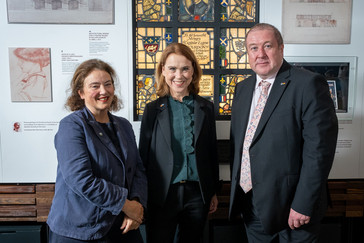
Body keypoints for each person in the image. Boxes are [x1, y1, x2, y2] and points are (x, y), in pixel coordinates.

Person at [229, 23, 338, 242]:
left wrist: (303, 204)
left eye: (267, 46)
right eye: (253, 48)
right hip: (253, 205)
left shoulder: (308, 84)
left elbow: (319, 152)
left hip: (293, 209)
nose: (260, 54)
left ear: (281, 48)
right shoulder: (242, 89)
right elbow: (243, 146)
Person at [47, 59, 147, 243]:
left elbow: (138, 170)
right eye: (95, 86)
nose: (104, 91)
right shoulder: (71, 126)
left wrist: (136, 206)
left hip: (123, 225)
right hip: (80, 230)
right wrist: (126, 205)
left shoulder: (123, 125)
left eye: (108, 84)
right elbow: (81, 179)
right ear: (81, 92)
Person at [139, 42, 219, 243]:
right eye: (173, 69)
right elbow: (144, 157)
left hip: (197, 195)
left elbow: (211, 152)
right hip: (162, 194)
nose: (179, 75)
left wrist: (213, 192)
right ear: (163, 71)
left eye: (185, 68)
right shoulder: (152, 109)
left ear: (193, 71)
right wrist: (141, 197)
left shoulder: (206, 108)